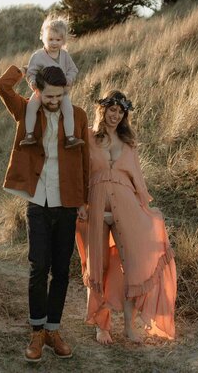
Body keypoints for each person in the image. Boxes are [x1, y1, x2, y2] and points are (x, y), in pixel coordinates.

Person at [0, 64, 90, 362]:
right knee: (39, 266)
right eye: (49, 96)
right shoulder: (26, 111)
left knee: (61, 270)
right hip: (37, 200)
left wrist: (84, 200)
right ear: (38, 91)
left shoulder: (79, 116)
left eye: (59, 96)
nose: (54, 101)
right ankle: (37, 332)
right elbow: (2, 86)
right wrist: (22, 70)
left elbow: (85, 159)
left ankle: (53, 330)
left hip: (67, 202)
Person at [75, 91, 176, 344]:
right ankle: (102, 326)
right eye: (112, 109)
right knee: (99, 266)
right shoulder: (87, 136)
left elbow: (137, 181)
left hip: (127, 207)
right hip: (96, 208)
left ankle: (129, 326)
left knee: (132, 265)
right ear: (103, 109)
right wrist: (79, 202)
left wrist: (147, 210)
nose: (116, 115)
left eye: (120, 112)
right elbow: (78, 173)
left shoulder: (128, 143)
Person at [20, 15, 84, 149]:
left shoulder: (65, 55)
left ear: (63, 40)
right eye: (50, 39)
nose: (54, 43)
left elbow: (73, 69)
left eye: (58, 39)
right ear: (43, 38)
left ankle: (70, 137)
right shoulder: (37, 56)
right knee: (31, 107)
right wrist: (32, 82)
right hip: (41, 91)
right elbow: (31, 72)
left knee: (68, 110)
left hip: (61, 91)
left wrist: (69, 78)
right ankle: (29, 135)